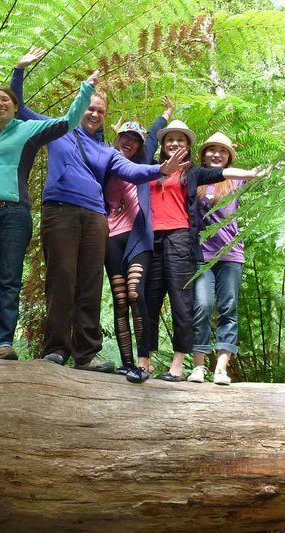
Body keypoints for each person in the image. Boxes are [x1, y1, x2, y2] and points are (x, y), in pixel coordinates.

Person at [12, 48, 188, 373]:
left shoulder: (106, 151)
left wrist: (160, 170)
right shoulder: (57, 128)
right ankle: (55, 349)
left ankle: (87, 354)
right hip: (61, 212)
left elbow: (132, 171)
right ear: (80, 106)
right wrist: (19, 70)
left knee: (90, 284)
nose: (94, 114)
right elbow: (19, 109)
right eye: (91, 108)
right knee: (62, 278)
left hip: (95, 218)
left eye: (101, 111)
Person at [0, 70, 97, 361]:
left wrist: (86, 89)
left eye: (5, 99)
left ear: (16, 106)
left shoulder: (28, 130)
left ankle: (2, 342)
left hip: (13, 214)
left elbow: (68, 122)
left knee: (9, 279)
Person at [142, 107, 258, 382]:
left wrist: (253, 173)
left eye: (180, 140)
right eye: (170, 139)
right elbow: (147, 146)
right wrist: (163, 117)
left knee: (214, 306)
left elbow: (226, 172)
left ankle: (208, 367)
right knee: (190, 304)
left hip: (210, 248)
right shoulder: (159, 170)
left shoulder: (200, 175)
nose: (174, 143)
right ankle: (177, 363)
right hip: (184, 249)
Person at [190, 132, 248, 385]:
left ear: (229, 157)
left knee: (228, 308)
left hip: (230, 254)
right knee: (202, 306)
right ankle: (198, 366)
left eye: (222, 151)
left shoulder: (235, 179)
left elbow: (261, 173)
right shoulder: (195, 179)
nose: (216, 154)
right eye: (212, 150)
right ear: (203, 155)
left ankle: (221, 369)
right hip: (201, 255)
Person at [104, 120, 155, 383]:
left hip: (138, 236)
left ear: (140, 146)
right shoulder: (106, 160)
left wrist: (166, 114)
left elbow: (154, 137)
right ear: (118, 137)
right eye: (126, 136)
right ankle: (126, 364)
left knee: (135, 292)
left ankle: (143, 360)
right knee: (121, 298)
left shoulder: (142, 165)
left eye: (135, 139)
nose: (130, 142)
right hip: (110, 236)